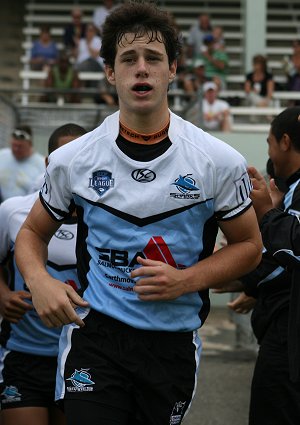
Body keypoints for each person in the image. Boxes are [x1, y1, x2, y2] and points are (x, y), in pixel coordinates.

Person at [15, 3, 262, 424]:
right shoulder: (73, 160)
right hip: (97, 338)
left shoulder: (218, 161)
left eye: (153, 58)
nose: (141, 69)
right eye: (128, 59)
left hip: (172, 344)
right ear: (110, 72)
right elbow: (31, 234)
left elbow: (250, 246)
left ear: (173, 69)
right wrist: (40, 282)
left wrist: (187, 279)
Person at [0, 123, 86, 425]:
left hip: (82, 358)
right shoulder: (14, 211)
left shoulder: (107, 220)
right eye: (64, 157)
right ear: (49, 163)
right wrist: (3, 295)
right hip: (22, 356)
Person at [219, 107, 300, 425]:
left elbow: (292, 252)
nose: (268, 152)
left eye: (268, 142)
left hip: (288, 337)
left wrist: (266, 210)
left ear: (283, 141)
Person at [0, 126, 45, 202]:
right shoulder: (2, 155)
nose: (16, 149)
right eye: (14, 145)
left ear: (30, 144)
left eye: (20, 146)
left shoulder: (41, 164)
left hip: (26, 210)